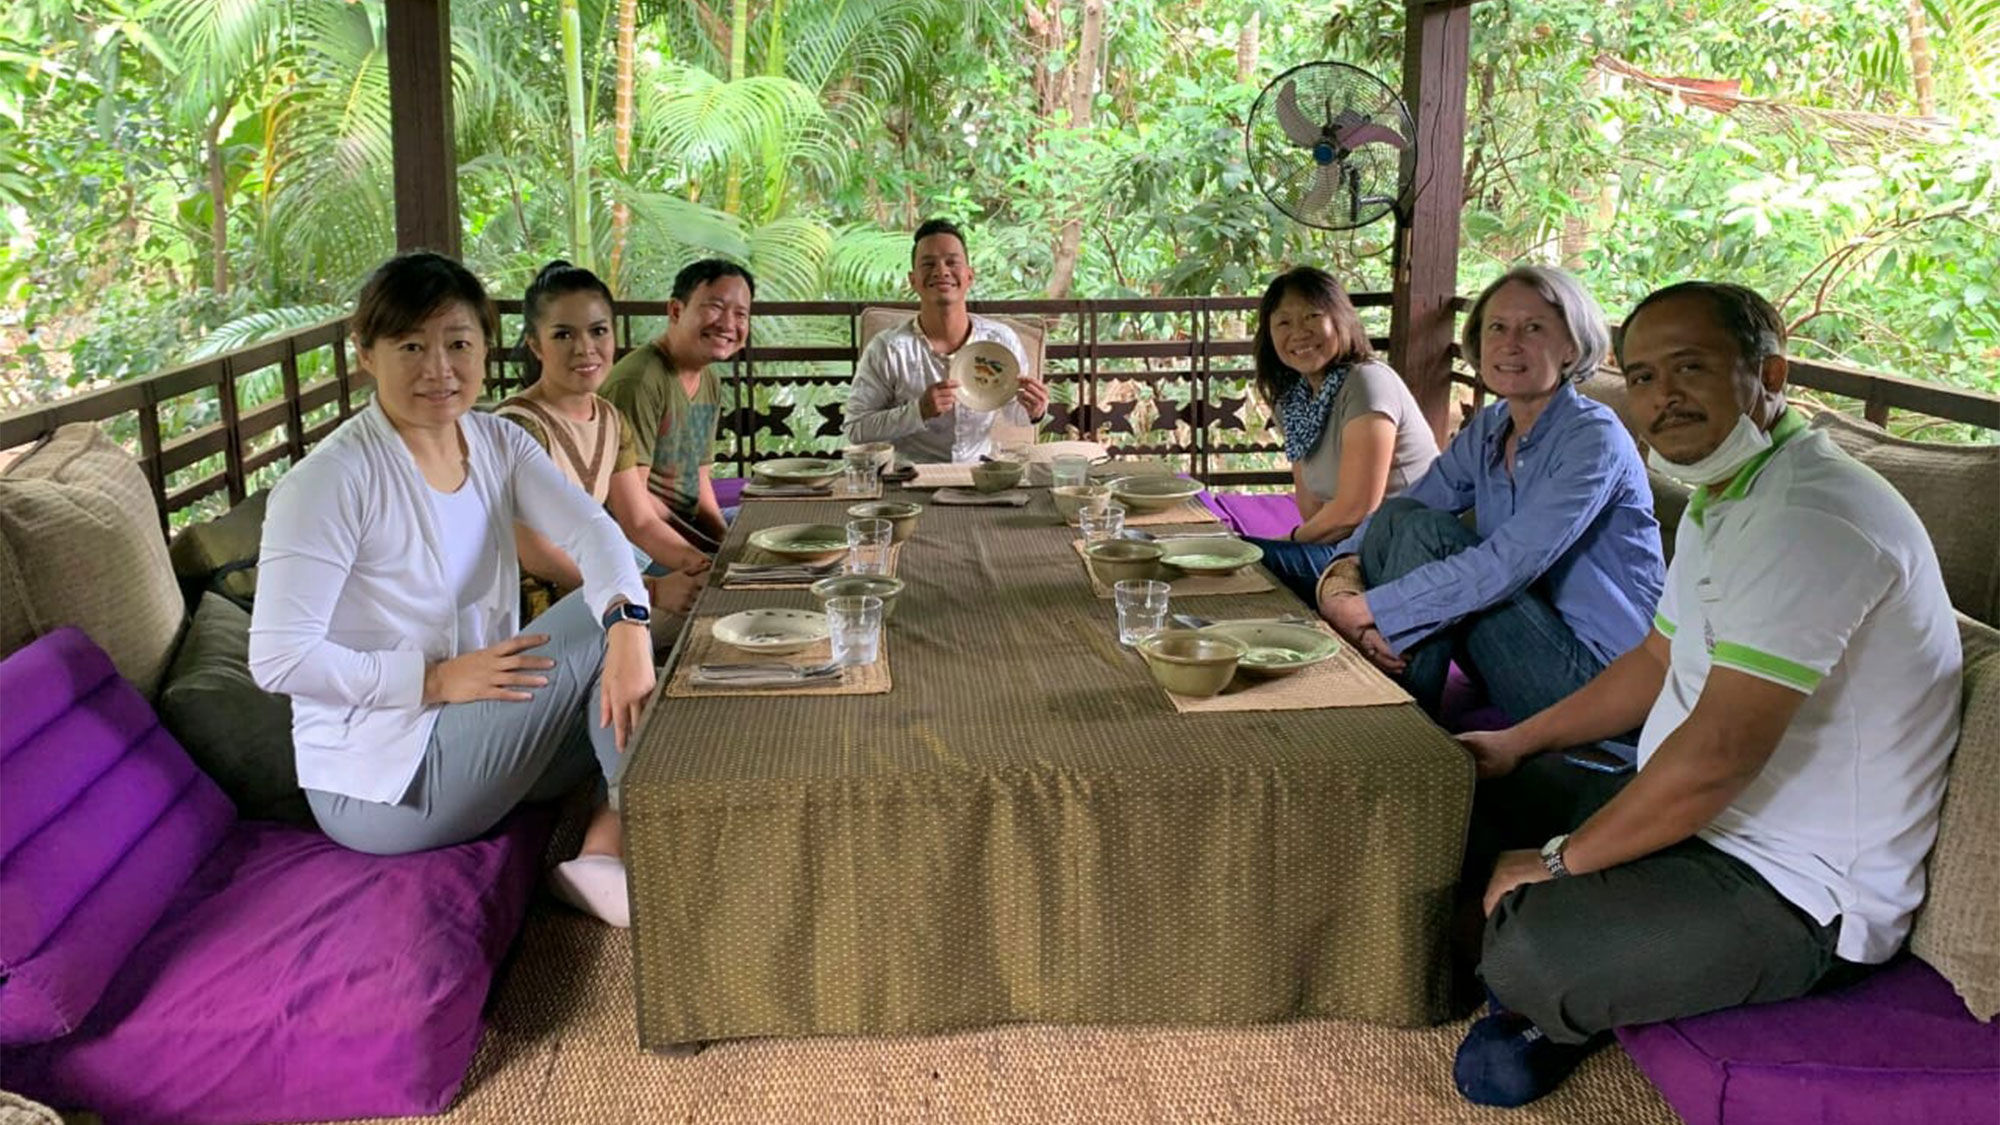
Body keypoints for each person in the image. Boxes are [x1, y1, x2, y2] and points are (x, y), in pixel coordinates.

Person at [1447, 281, 1962, 1106]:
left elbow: (1719, 756)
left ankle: (1551, 983)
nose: (1662, 398)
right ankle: (1582, 978)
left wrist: (1556, 862)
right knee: (1462, 789)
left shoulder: (1809, 518)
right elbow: (1656, 662)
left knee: (1526, 955)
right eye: (1645, 376)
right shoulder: (1733, 497)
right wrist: (1517, 742)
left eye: (1692, 367)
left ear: (1771, 373)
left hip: (1800, 892)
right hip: (1702, 823)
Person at [249, 250, 655, 929]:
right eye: (411, 345)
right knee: (598, 626)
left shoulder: (494, 441)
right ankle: (657, 824)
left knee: (623, 625)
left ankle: (607, 849)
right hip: (383, 782)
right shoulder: (329, 481)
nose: (439, 368)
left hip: (477, 731)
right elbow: (279, 657)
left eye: (458, 343)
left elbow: (594, 531)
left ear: (486, 349)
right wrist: (432, 680)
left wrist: (631, 629)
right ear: (366, 354)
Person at [1315, 265, 1663, 721]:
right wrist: (1342, 571)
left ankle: (1393, 726)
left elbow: (1508, 564)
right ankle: (1386, 690)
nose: (1510, 343)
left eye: (1533, 328)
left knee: (1428, 534)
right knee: (1400, 518)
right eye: (1497, 327)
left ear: (1571, 348)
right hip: (1521, 644)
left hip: (1598, 681)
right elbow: (1411, 502)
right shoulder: (1494, 426)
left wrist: (1364, 609)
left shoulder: (1592, 438)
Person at [497, 260, 710, 627]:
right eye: (563, 335)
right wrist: (650, 591)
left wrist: (700, 563)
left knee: (717, 607)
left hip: (600, 595)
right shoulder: (517, 427)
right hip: (533, 613)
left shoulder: (610, 419)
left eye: (598, 331)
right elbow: (537, 554)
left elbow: (639, 520)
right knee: (703, 628)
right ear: (535, 344)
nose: (585, 348)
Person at [1242, 266, 1439, 603]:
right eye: (1284, 323)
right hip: (1349, 551)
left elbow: (1357, 508)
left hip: (1400, 555)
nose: (1299, 333)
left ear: (1341, 319)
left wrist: (1286, 541)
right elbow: (1314, 511)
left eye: (1312, 316)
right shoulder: (1296, 400)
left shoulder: (1367, 381)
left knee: (1239, 562)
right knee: (1228, 558)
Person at [841, 218, 1048, 463]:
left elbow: (1016, 414)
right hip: (910, 477)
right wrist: (918, 411)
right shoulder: (889, 348)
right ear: (913, 280)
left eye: (952, 262)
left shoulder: (1000, 341)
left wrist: (1035, 410)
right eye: (928, 264)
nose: (941, 271)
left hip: (980, 475)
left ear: (969, 276)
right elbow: (855, 429)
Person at [599, 259, 751, 555]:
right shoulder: (639, 381)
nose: (728, 324)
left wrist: (723, 540)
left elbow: (699, 476)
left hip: (685, 523)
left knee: (770, 533)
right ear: (676, 310)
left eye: (741, 314)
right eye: (716, 307)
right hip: (639, 542)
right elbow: (633, 504)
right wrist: (708, 552)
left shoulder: (707, 378)